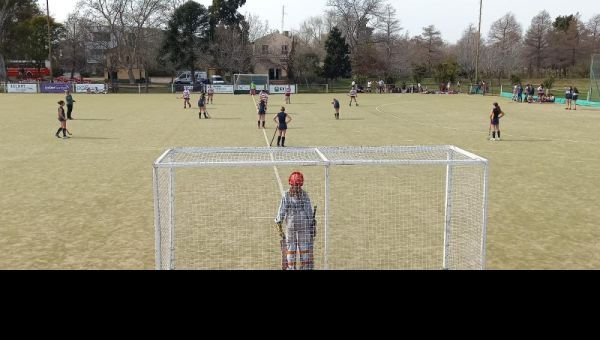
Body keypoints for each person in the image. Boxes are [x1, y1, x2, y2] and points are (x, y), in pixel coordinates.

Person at [275, 171, 316, 270]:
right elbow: (282, 211)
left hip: (301, 227)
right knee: (292, 250)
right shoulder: (288, 196)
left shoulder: (301, 195)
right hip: (293, 228)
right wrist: (279, 226)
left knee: (301, 250)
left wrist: (312, 226)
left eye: (298, 185)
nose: (297, 188)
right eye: (295, 185)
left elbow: (309, 212)